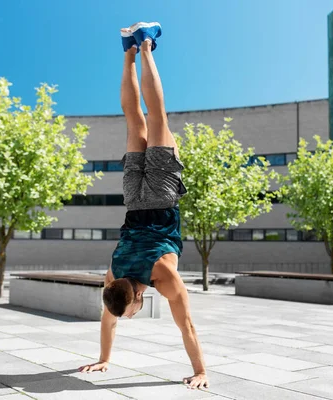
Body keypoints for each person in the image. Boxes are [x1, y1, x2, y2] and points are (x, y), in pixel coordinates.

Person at [78, 22, 209, 390]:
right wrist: (104, 360)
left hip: (161, 196)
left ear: (137, 296)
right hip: (133, 200)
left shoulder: (164, 279)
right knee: (135, 119)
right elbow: (109, 317)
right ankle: (128, 52)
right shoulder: (113, 274)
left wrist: (200, 371)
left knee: (157, 115)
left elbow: (187, 326)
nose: (132, 314)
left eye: (133, 311)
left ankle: (147, 45)